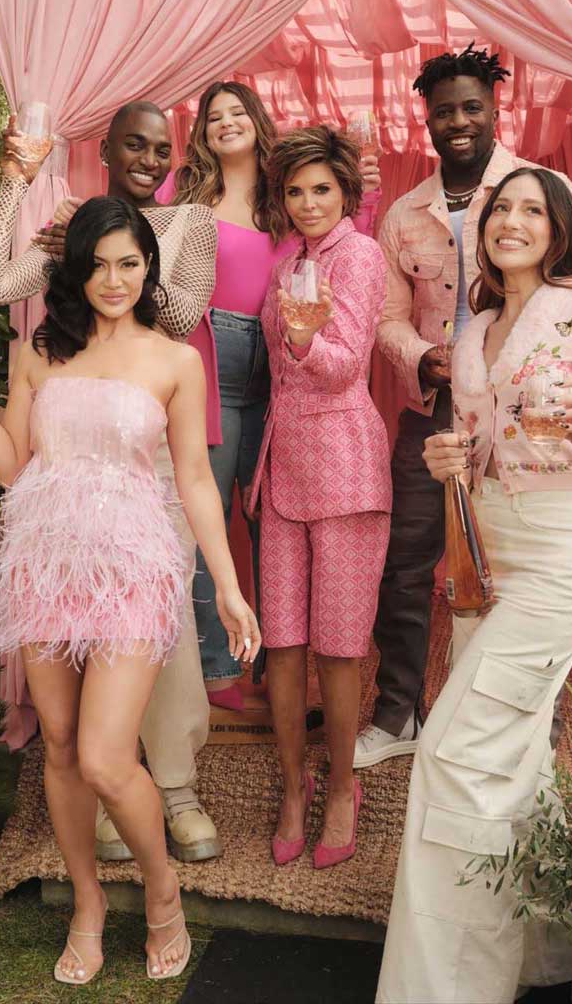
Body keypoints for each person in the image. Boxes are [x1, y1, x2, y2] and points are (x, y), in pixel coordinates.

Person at [0, 198, 260, 985]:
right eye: (98, 265)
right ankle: (87, 902)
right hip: (45, 563)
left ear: (150, 269)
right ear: (75, 271)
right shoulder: (40, 351)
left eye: (129, 263)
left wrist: (226, 585)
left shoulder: (175, 360)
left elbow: (195, 480)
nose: (114, 280)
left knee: (107, 756)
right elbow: (12, 465)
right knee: (58, 743)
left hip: (132, 567)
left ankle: (160, 889)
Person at [376, 167, 572, 1003]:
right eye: (500, 208)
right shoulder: (475, 333)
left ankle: (449, 988)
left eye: (532, 210)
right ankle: (541, 955)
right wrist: (450, 459)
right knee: (514, 760)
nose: (512, 220)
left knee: (451, 752)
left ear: (559, 228)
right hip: (487, 560)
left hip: (556, 561)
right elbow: (478, 451)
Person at [355, 46, 572, 769]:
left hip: (525, 417)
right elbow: (385, 317)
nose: (459, 121)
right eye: (444, 111)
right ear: (427, 120)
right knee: (406, 565)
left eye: (472, 107)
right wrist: (423, 356)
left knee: (523, 568)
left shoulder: (541, 193)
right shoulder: (405, 214)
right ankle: (397, 713)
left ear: (496, 110)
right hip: (437, 414)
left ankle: (538, 727)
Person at [0, 104, 220, 866]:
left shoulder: (190, 223)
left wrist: (120, 251)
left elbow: (182, 314)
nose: (149, 158)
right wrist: (22, 190)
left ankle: (175, 786)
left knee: (162, 628)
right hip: (72, 451)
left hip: (150, 445)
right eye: (134, 145)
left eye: (162, 148)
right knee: (82, 638)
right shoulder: (71, 239)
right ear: (104, 151)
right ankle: (112, 780)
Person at [165, 82, 382, 711]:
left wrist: (364, 192)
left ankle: (274, 666)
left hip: (285, 361)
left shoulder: (285, 189)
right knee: (209, 512)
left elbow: (337, 253)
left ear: (259, 121)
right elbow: (135, 235)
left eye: (238, 112)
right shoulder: (183, 190)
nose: (226, 123)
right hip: (213, 351)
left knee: (275, 517)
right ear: (201, 132)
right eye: (214, 116)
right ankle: (217, 670)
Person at [246, 127, 391, 868]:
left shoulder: (359, 256)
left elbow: (345, 367)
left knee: (337, 647)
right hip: (284, 471)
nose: (307, 203)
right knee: (283, 643)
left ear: (346, 194)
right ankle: (293, 786)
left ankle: (340, 788)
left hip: (345, 468)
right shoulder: (289, 264)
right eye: (296, 191)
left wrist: (305, 341)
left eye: (322, 190)